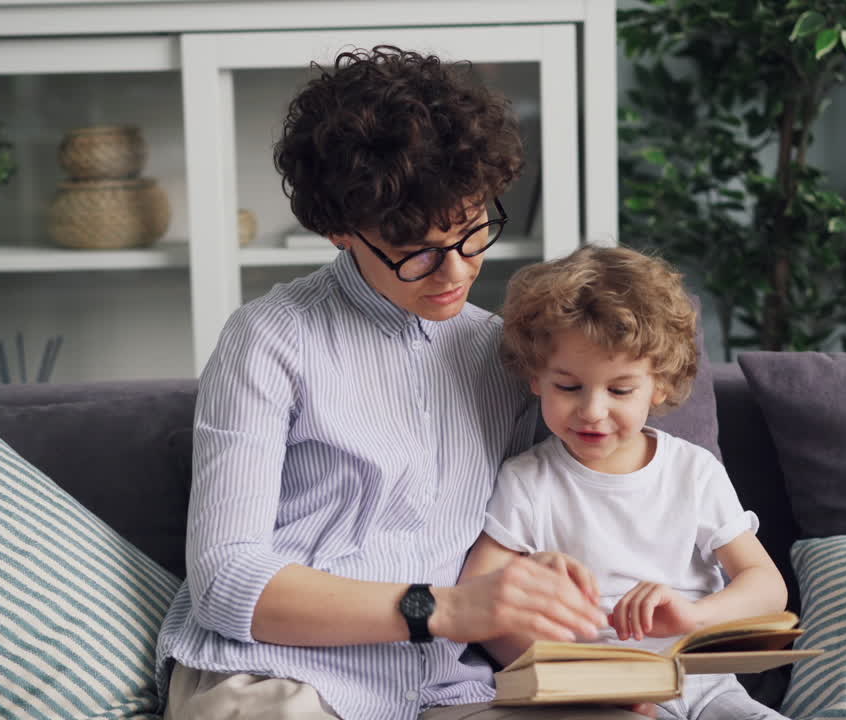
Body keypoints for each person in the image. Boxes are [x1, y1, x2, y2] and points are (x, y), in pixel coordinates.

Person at [155, 46, 656, 720]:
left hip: (449, 688)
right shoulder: (269, 338)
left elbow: (530, 531)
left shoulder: (505, 352)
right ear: (339, 229)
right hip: (282, 678)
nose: (453, 273)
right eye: (415, 250)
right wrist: (445, 607)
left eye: (472, 232)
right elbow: (226, 581)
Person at [463, 245, 791, 720]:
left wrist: (693, 616)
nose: (593, 411)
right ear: (535, 377)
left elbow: (765, 585)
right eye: (569, 386)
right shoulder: (528, 480)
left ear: (658, 384)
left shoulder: (693, 471)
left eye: (620, 389)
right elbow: (478, 599)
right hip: (593, 693)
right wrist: (567, 676)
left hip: (702, 682)